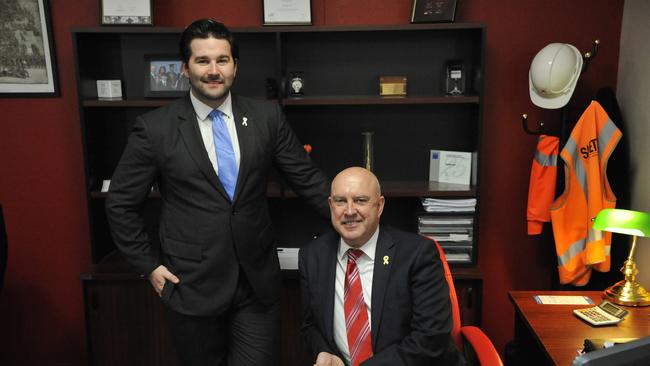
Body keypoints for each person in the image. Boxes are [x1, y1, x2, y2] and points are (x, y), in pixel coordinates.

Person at [105, 19, 330, 366]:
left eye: (222, 60)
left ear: (235, 67)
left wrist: (356, 214)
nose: (213, 70)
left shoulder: (266, 117)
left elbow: (308, 180)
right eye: (202, 61)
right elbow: (120, 203)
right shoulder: (155, 129)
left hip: (256, 282)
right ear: (185, 68)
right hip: (190, 283)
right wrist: (148, 265)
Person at [299, 167, 463, 366]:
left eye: (360, 200)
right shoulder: (313, 255)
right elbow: (310, 325)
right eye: (340, 201)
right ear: (331, 205)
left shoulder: (418, 254)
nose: (349, 211)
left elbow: (430, 338)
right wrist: (323, 351)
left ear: (380, 205)